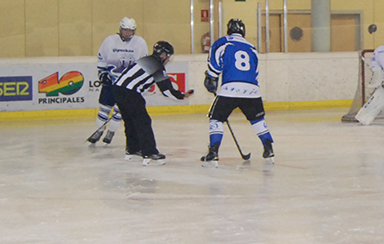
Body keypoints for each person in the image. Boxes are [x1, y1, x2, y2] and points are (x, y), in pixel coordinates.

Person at [200, 19, 274, 166]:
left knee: (216, 119)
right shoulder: (251, 47)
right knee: (258, 120)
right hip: (252, 90)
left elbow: (214, 65)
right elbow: (255, 72)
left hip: (230, 89)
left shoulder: (222, 42)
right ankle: (268, 147)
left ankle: (213, 151)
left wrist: (210, 78)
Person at [112, 41, 194, 165]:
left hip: (118, 90)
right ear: (162, 55)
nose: (168, 59)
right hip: (130, 93)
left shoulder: (145, 59)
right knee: (143, 121)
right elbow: (166, 90)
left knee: (130, 121)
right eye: (168, 55)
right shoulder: (156, 65)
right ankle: (150, 153)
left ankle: (133, 150)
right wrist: (182, 96)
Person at [88, 17, 148, 145]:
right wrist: (102, 72)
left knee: (119, 110)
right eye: (125, 30)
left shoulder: (140, 43)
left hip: (128, 84)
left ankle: (111, 132)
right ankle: (98, 131)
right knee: (104, 107)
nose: (127, 33)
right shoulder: (110, 41)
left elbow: (143, 63)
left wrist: (140, 80)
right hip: (111, 81)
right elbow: (102, 58)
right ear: (120, 29)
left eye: (130, 31)